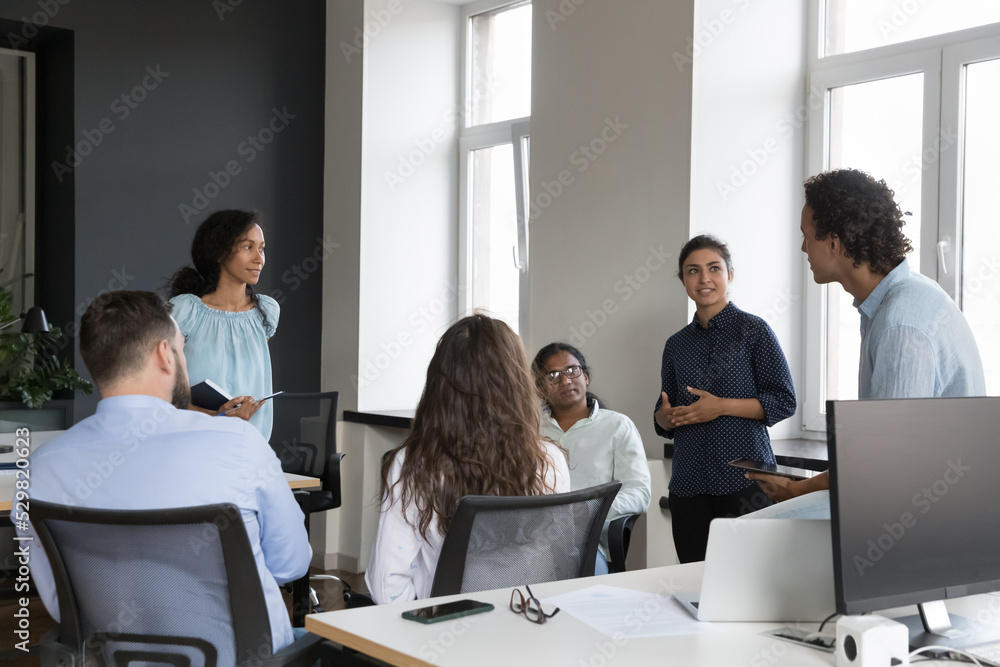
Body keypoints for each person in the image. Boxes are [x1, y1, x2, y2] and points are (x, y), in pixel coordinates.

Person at [12, 291, 310, 652]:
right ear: (164, 355)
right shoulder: (239, 444)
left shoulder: (41, 471)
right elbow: (291, 563)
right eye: (182, 348)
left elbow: (64, 604)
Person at [747, 168, 986, 507]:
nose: (802, 247)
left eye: (807, 235)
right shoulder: (899, 302)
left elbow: (891, 471)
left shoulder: (900, 328)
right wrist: (804, 487)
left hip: (931, 523)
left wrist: (798, 493)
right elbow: (882, 450)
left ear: (833, 243)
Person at [365, 314, 571, 603]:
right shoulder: (550, 460)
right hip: (528, 627)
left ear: (438, 385)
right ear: (517, 383)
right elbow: (559, 565)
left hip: (442, 637)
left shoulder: (414, 463)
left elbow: (386, 588)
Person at [653, 234, 796, 563]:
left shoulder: (754, 331)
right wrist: (664, 418)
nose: (704, 279)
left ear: (729, 274)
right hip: (688, 484)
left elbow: (784, 400)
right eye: (693, 271)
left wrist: (720, 407)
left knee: (748, 582)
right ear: (682, 280)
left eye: (713, 268)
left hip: (746, 481)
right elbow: (664, 413)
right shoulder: (676, 345)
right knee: (694, 584)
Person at [532, 342, 651, 574]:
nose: (565, 381)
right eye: (553, 376)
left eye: (572, 371)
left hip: (586, 539)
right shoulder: (529, 428)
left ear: (585, 377)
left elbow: (639, 493)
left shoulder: (617, 426)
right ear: (540, 388)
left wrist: (590, 511)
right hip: (534, 537)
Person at [168, 209, 279, 440]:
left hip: (250, 448)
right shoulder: (185, 311)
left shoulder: (265, 312)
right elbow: (163, 392)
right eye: (248, 247)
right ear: (219, 253)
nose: (259, 259)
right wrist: (216, 417)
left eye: (261, 248)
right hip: (195, 444)